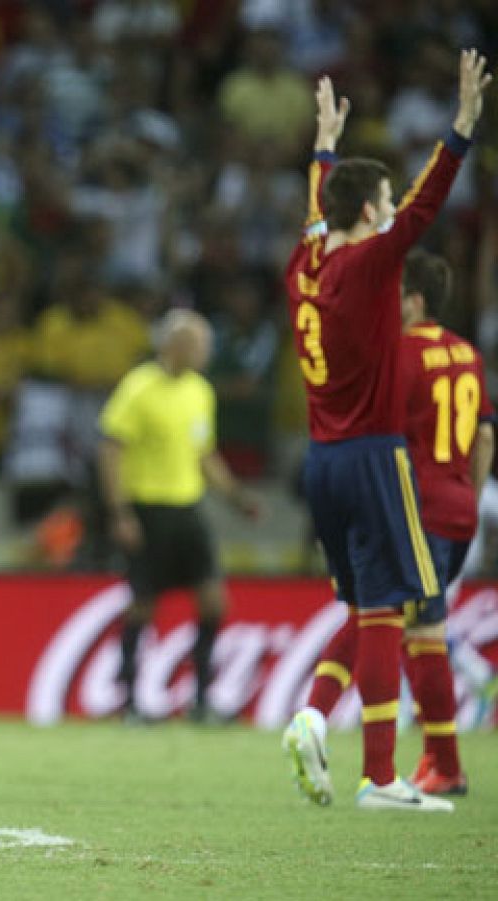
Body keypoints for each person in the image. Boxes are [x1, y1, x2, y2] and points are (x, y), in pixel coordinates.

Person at [281, 54, 486, 813]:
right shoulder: (371, 266)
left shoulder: (304, 267)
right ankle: (378, 775)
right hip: (372, 455)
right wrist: (462, 128)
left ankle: (331, 734)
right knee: (385, 609)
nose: (394, 206)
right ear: (370, 212)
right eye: (385, 200)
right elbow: (429, 203)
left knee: (367, 608)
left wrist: (324, 149)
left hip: (320, 461)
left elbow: (316, 214)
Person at [296, 251, 491, 798]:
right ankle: (439, 762)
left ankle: (323, 720)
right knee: (417, 627)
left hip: (410, 506)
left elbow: (377, 435)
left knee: (389, 619)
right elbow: (485, 437)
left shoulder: (398, 354)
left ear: (415, 300)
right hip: (457, 509)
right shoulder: (468, 354)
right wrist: (468, 500)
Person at [97, 310, 260, 723]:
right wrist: (120, 513)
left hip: (188, 508)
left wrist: (236, 498)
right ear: (173, 345)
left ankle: (201, 699)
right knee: (143, 606)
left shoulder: (200, 391)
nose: (205, 352)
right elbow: (111, 451)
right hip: (148, 510)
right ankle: (129, 702)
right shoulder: (138, 388)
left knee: (213, 602)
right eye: (198, 344)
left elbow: (203, 454)